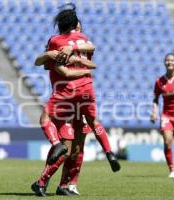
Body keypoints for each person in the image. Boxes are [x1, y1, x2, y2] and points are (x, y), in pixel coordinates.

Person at [32, 4, 120, 196]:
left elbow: (62, 67)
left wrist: (76, 61)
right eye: (77, 26)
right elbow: (52, 66)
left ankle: (65, 184)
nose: (79, 29)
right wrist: (83, 66)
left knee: (72, 146)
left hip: (67, 95)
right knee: (70, 145)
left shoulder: (61, 40)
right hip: (85, 93)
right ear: (73, 25)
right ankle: (49, 182)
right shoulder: (82, 40)